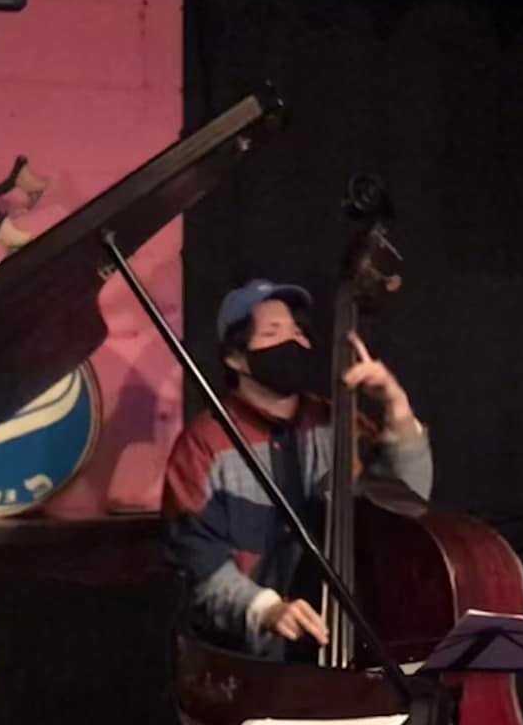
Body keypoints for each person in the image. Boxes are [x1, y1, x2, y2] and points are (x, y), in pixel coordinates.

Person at [163, 277, 432, 659]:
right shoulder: (203, 445)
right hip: (249, 663)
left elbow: (409, 503)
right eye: (273, 332)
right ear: (235, 357)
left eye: (298, 332)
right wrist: (266, 608)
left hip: (350, 644)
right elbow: (198, 565)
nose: (294, 342)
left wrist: (397, 409)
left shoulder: (339, 424)